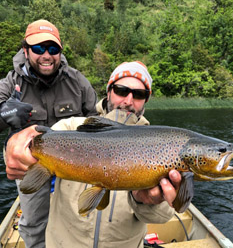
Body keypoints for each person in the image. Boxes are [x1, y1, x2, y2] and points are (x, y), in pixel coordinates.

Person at [5, 61, 182, 248]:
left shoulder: (161, 146)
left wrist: (144, 201)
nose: (128, 101)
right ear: (109, 91)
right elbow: (31, 141)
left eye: (139, 94)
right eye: (121, 90)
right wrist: (13, 145)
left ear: (147, 99)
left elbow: (161, 217)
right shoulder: (71, 127)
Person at [1, 19, 97, 248]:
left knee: (81, 218)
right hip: (31, 166)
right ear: (26, 50)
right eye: (38, 48)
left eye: (53, 49)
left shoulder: (78, 83)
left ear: (60, 52)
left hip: (74, 164)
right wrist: (5, 114)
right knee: (34, 222)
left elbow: (96, 122)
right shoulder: (10, 83)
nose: (46, 55)